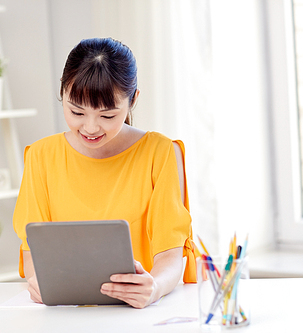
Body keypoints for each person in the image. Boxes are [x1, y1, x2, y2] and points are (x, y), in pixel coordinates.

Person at [13, 37, 197, 309]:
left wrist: (154, 287)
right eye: (76, 112)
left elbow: (171, 255)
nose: (90, 128)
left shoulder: (160, 153)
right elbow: (33, 253)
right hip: (66, 315)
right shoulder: (41, 156)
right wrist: (39, 282)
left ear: (133, 99)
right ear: (62, 93)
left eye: (107, 116)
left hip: (139, 315)